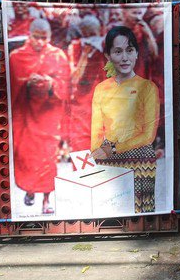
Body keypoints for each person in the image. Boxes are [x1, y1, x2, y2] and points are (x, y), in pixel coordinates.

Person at [90, 25, 160, 213]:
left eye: (129, 50)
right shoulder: (101, 89)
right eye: (118, 51)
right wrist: (95, 153)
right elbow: (96, 130)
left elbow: (148, 136)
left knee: (139, 213)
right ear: (108, 56)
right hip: (107, 159)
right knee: (108, 210)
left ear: (136, 53)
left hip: (140, 159)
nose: (124, 58)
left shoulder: (147, 88)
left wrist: (113, 149)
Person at [8, 18, 71, 214]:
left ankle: (46, 200)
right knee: (27, 158)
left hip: (48, 117)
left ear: (50, 37)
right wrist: (27, 83)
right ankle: (30, 190)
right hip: (25, 117)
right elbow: (10, 87)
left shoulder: (58, 56)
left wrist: (50, 84)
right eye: (37, 37)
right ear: (30, 35)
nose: (40, 42)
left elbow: (66, 86)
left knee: (47, 159)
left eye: (45, 38)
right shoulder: (16, 57)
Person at [65, 15, 106, 152]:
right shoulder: (75, 47)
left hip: (102, 102)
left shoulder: (106, 46)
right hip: (81, 103)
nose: (91, 38)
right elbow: (74, 79)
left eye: (93, 34)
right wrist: (84, 55)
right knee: (80, 143)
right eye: (87, 34)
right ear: (82, 33)